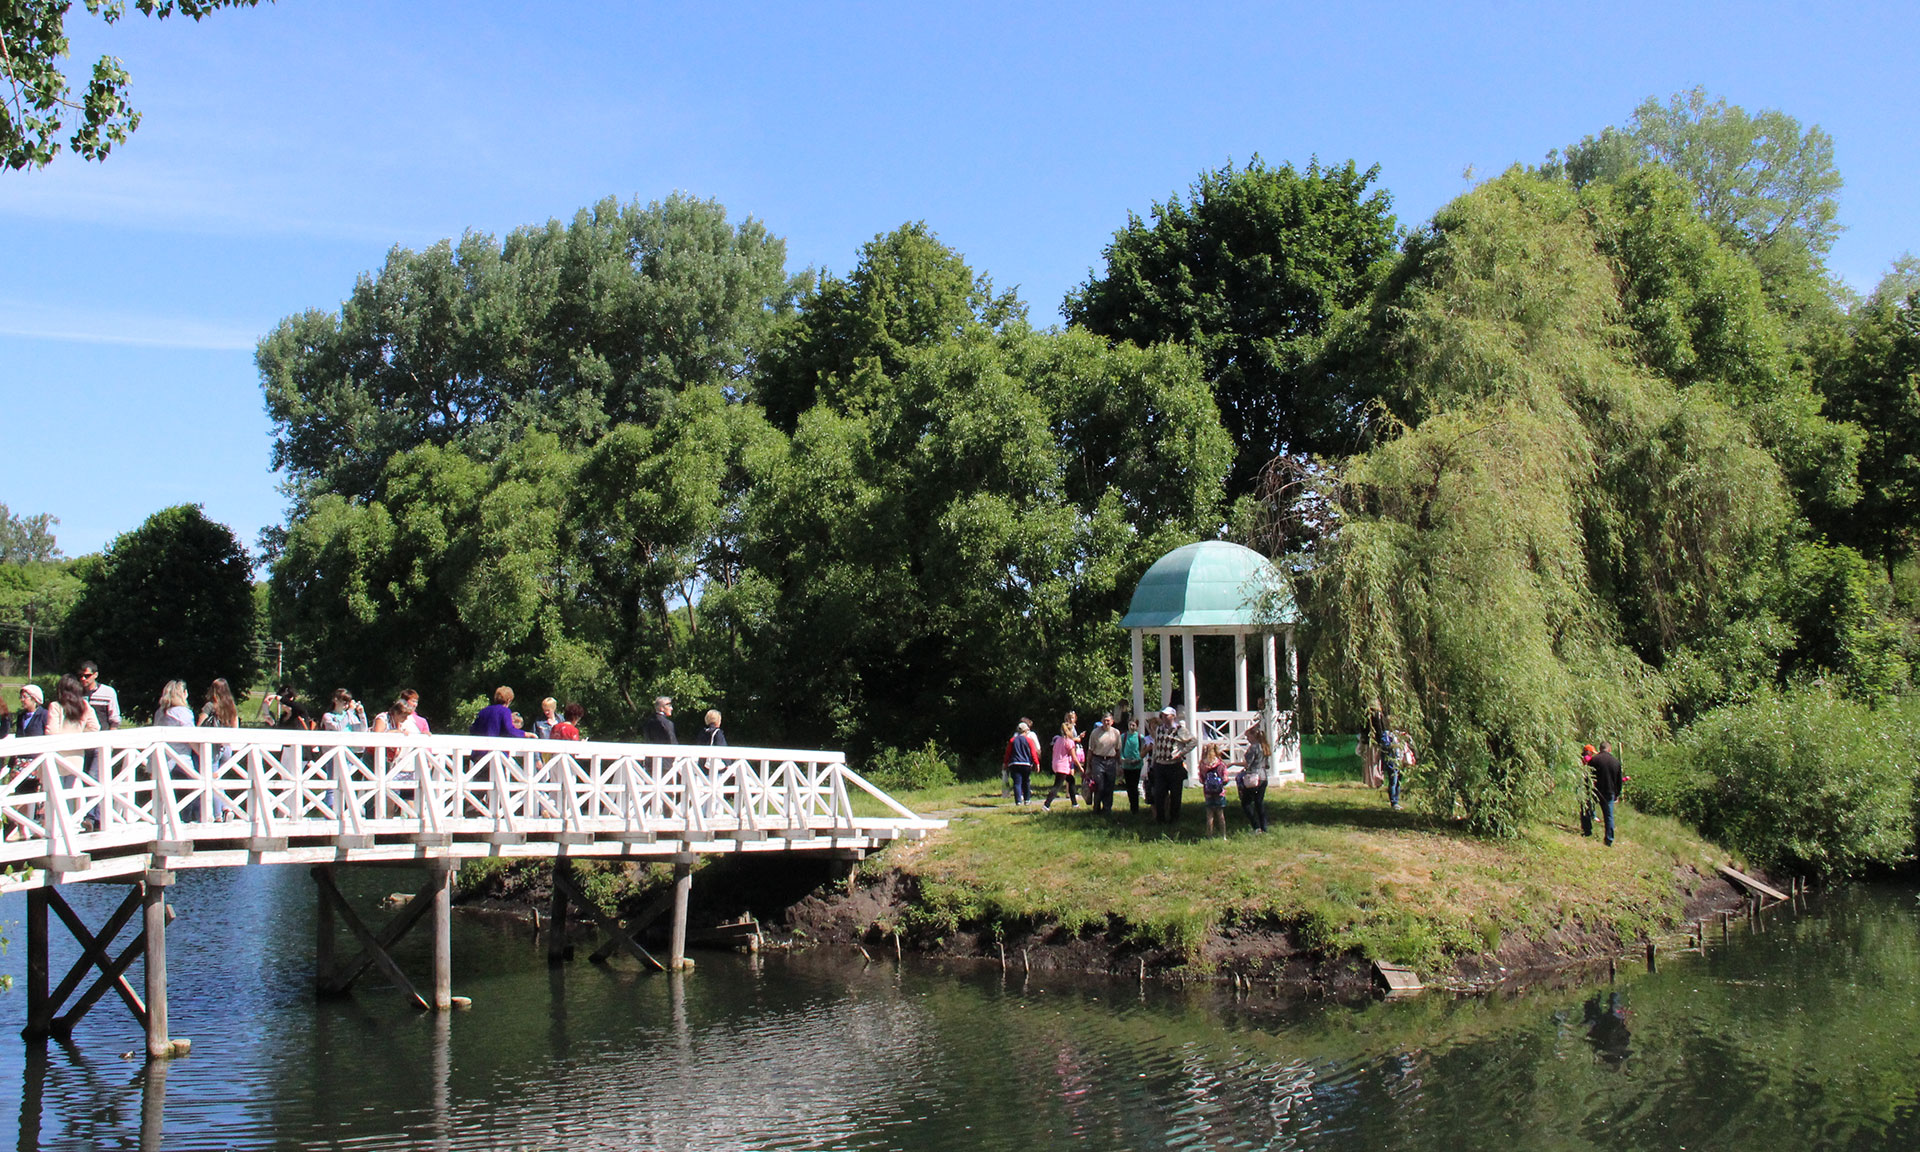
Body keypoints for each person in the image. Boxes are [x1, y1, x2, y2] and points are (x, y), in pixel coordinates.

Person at [1148, 706, 1195, 826]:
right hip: (1160, 765)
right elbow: (1156, 746)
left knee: (1175, 794)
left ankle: (1174, 819)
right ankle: (1160, 819)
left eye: (1167, 715)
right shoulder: (1159, 729)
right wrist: (1153, 762)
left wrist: (1181, 753)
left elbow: (1193, 741)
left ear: (1173, 716)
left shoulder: (1179, 729)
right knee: (1159, 794)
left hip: (1174, 765)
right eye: (1163, 715)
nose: (1164, 717)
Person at [1585, 740, 1625, 846]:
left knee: (1587, 810)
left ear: (1600, 749)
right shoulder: (1616, 762)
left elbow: (1588, 776)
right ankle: (1609, 839)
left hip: (1595, 790)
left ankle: (1587, 831)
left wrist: (1587, 788)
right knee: (1609, 816)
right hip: (1609, 791)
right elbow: (1619, 781)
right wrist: (1617, 793)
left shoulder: (1594, 760)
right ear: (1609, 749)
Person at [1086, 710, 1121, 814]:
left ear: (1112, 721)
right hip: (1098, 760)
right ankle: (1096, 807)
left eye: (1108, 721)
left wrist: (1119, 764)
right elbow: (1090, 750)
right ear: (1101, 721)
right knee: (1099, 786)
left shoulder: (1116, 733)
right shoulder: (1095, 733)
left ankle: (1107, 809)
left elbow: (1118, 750)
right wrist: (1088, 766)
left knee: (1109, 786)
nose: (1106, 723)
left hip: (1111, 760)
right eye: (1104, 720)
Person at [1237, 728, 1271, 833]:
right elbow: (1267, 765)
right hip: (1263, 777)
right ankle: (1264, 827)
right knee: (1259, 803)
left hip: (1253, 777)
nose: (1247, 739)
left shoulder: (1253, 748)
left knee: (1246, 803)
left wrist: (1233, 764)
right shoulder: (1265, 747)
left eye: (1248, 736)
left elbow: (1247, 763)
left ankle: (1256, 827)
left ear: (1253, 736)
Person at [1043, 719, 1082, 810]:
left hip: (1056, 764)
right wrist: (1080, 767)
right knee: (1057, 786)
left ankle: (1074, 803)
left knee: (1071, 780)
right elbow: (1074, 757)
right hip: (1063, 766)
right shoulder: (1069, 742)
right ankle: (1046, 805)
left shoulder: (1057, 740)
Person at [1003, 719, 1040, 805]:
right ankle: (1027, 800)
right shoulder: (1029, 740)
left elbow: (1008, 753)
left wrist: (1005, 763)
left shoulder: (1012, 740)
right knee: (1026, 782)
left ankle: (1018, 801)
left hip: (1014, 764)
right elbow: (1033, 753)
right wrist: (1037, 763)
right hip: (1026, 764)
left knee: (1017, 783)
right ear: (1025, 731)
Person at [77, 661, 119, 730]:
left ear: (95, 675)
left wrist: (112, 734)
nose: (83, 678)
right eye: (80, 676)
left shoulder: (108, 692)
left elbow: (114, 719)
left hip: (103, 733)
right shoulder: (76, 692)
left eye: (87, 676)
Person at [1199, 743, 1229, 838]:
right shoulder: (1221, 764)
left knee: (1209, 815)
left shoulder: (1203, 764)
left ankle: (1209, 836)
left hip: (1208, 792)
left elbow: (1201, 780)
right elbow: (1225, 779)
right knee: (1220, 814)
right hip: (1219, 792)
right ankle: (1223, 835)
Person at [1119, 715, 1145, 815]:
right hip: (1127, 765)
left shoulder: (1140, 737)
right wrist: (1123, 758)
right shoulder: (1124, 736)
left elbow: (1142, 750)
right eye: (1130, 725)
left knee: (1134, 786)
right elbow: (1121, 749)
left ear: (1137, 726)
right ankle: (1132, 805)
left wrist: (1138, 759)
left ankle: (1135, 807)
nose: (1131, 727)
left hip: (1137, 765)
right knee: (1129, 787)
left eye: (1133, 725)